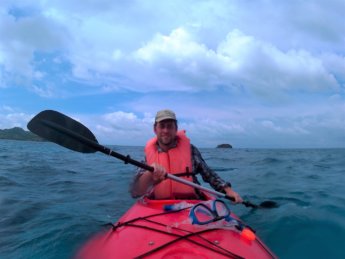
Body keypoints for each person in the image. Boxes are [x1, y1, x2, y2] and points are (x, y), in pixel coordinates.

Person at [130, 109, 243, 203]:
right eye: (162, 126)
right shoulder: (148, 155)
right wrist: (149, 174)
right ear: (155, 129)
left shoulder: (191, 150)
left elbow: (209, 174)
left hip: (191, 204)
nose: (166, 130)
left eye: (170, 126)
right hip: (158, 206)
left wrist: (228, 190)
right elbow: (135, 192)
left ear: (176, 129)